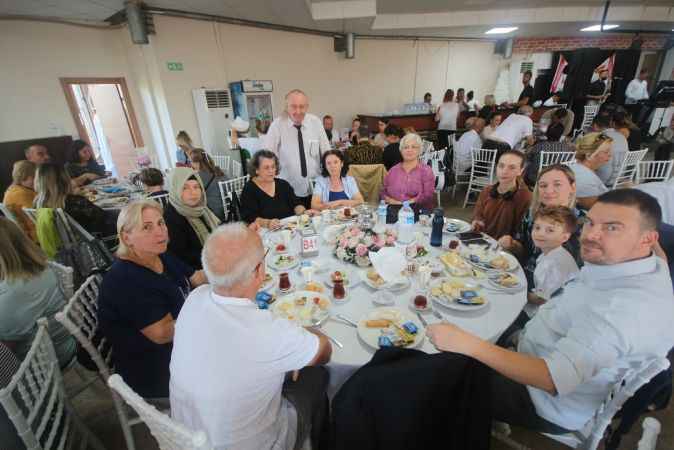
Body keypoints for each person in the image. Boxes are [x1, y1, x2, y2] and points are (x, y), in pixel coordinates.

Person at [427, 189, 674, 435]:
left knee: (440, 378)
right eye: (590, 223)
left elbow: (552, 379)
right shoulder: (649, 263)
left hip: (542, 400)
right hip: (533, 345)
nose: (591, 235)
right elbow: (661, 253)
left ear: (646, 239)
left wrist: (467, 344)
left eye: (613, 227)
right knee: (475, 320)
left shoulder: (621, 310)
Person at [170, 223, 332, 450]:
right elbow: (324, 350)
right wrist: (303, 333)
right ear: (259, 271)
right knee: (318, 375)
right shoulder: (268, 332)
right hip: (260, 443)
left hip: (188, 437)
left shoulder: (195, 299)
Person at [99, 200, 206, 400]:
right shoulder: (125, 280)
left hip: (183, 344)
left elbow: (197, 278)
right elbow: (163, 334)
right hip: (157, 369)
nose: (160, 232)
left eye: (161, 223)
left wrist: (233, 266)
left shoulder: (159, 255)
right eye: (147, 227)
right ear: (126, 237)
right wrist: (207, 313)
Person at [0, 217, 77, 368]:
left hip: (46, 362)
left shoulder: (14, 293)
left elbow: (5, 352)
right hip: (63, 343)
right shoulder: (37, 268)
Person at [500, 164, 583, 286]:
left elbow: (573, 278)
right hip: (519, 277)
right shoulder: (532, 214)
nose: (549, 191)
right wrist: (512, 244)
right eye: (543, 185)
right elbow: (523, 248)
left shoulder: (581, 225)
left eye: (557, 184)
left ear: (572, 187)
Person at [264, 89, 331, 208]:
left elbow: (327, 152)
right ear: (286, 107)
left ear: (307, 106)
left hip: (316, 188)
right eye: (293, 106)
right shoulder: (277, 126)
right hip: (288, 191)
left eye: (302, 107)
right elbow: (267, 157)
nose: (298, 111)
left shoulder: (315, 122)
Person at [34, 163, 115, 237]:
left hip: (67, 248)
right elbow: (104, 217)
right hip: (98, 242)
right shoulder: (74, 202)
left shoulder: (38, 203)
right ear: (64, 180)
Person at [164, 167, 220, 270]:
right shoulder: (171, 219)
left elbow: (218, 230)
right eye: (185, 188)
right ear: (175, 189)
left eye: (196, 187)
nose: (193, 192)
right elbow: (182, 258)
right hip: (198, 273)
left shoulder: (201, 208)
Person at [471, 150, 532, 240]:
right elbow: (477, 215)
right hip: (482, 241)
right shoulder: (487, 190)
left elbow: (522, 234)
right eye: (501, 166)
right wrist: (477, 221)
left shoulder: (525, 197)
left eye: (512, 167)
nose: (504, 171)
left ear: (520, 171)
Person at [240, 150, 309, 229]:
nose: (271, 171)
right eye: (266, 168)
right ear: (256, 170)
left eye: (273, 166)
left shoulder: (283, 184)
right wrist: (267, 223)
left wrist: (304, 213)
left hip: (290, 229)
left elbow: (296, 203)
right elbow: (249, 217)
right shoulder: (249, 189)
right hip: (265, 233)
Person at [381, 133, 435, 211]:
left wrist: (403, 204)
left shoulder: (426, 171)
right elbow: (383, 191)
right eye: (406, 147)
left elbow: (427, 196)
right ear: (401, 150)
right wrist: (389, 200)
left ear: (419, 150)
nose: (409, 150)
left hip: (417, 212)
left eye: (414, 147)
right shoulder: (393, 170)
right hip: (393, 210)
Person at [570, 133, 612, 210]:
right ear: (589, 155)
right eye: (606, 152)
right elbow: (598, 210)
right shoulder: (585, 179)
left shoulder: (580, 169)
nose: (610, 155)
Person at [3, 160, 37, 240]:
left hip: (24, 236)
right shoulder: (21, 194)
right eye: (34, 177)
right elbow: (36, 217)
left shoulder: (13, 189)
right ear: (23, 176)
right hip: (33, 235)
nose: (37, 180)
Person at [190, 149, 228, 222]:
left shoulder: (198, 177)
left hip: (213, 213)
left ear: (197, 163)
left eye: (191, 161)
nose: (190, 164)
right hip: (227, 208)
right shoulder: (218, 170)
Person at [592, 114, 628, 187]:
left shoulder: (601, 136)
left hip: (603, 178)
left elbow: (590, 157)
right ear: (611, 123)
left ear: (595, 125)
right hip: (619, 176)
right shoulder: (622, 136)